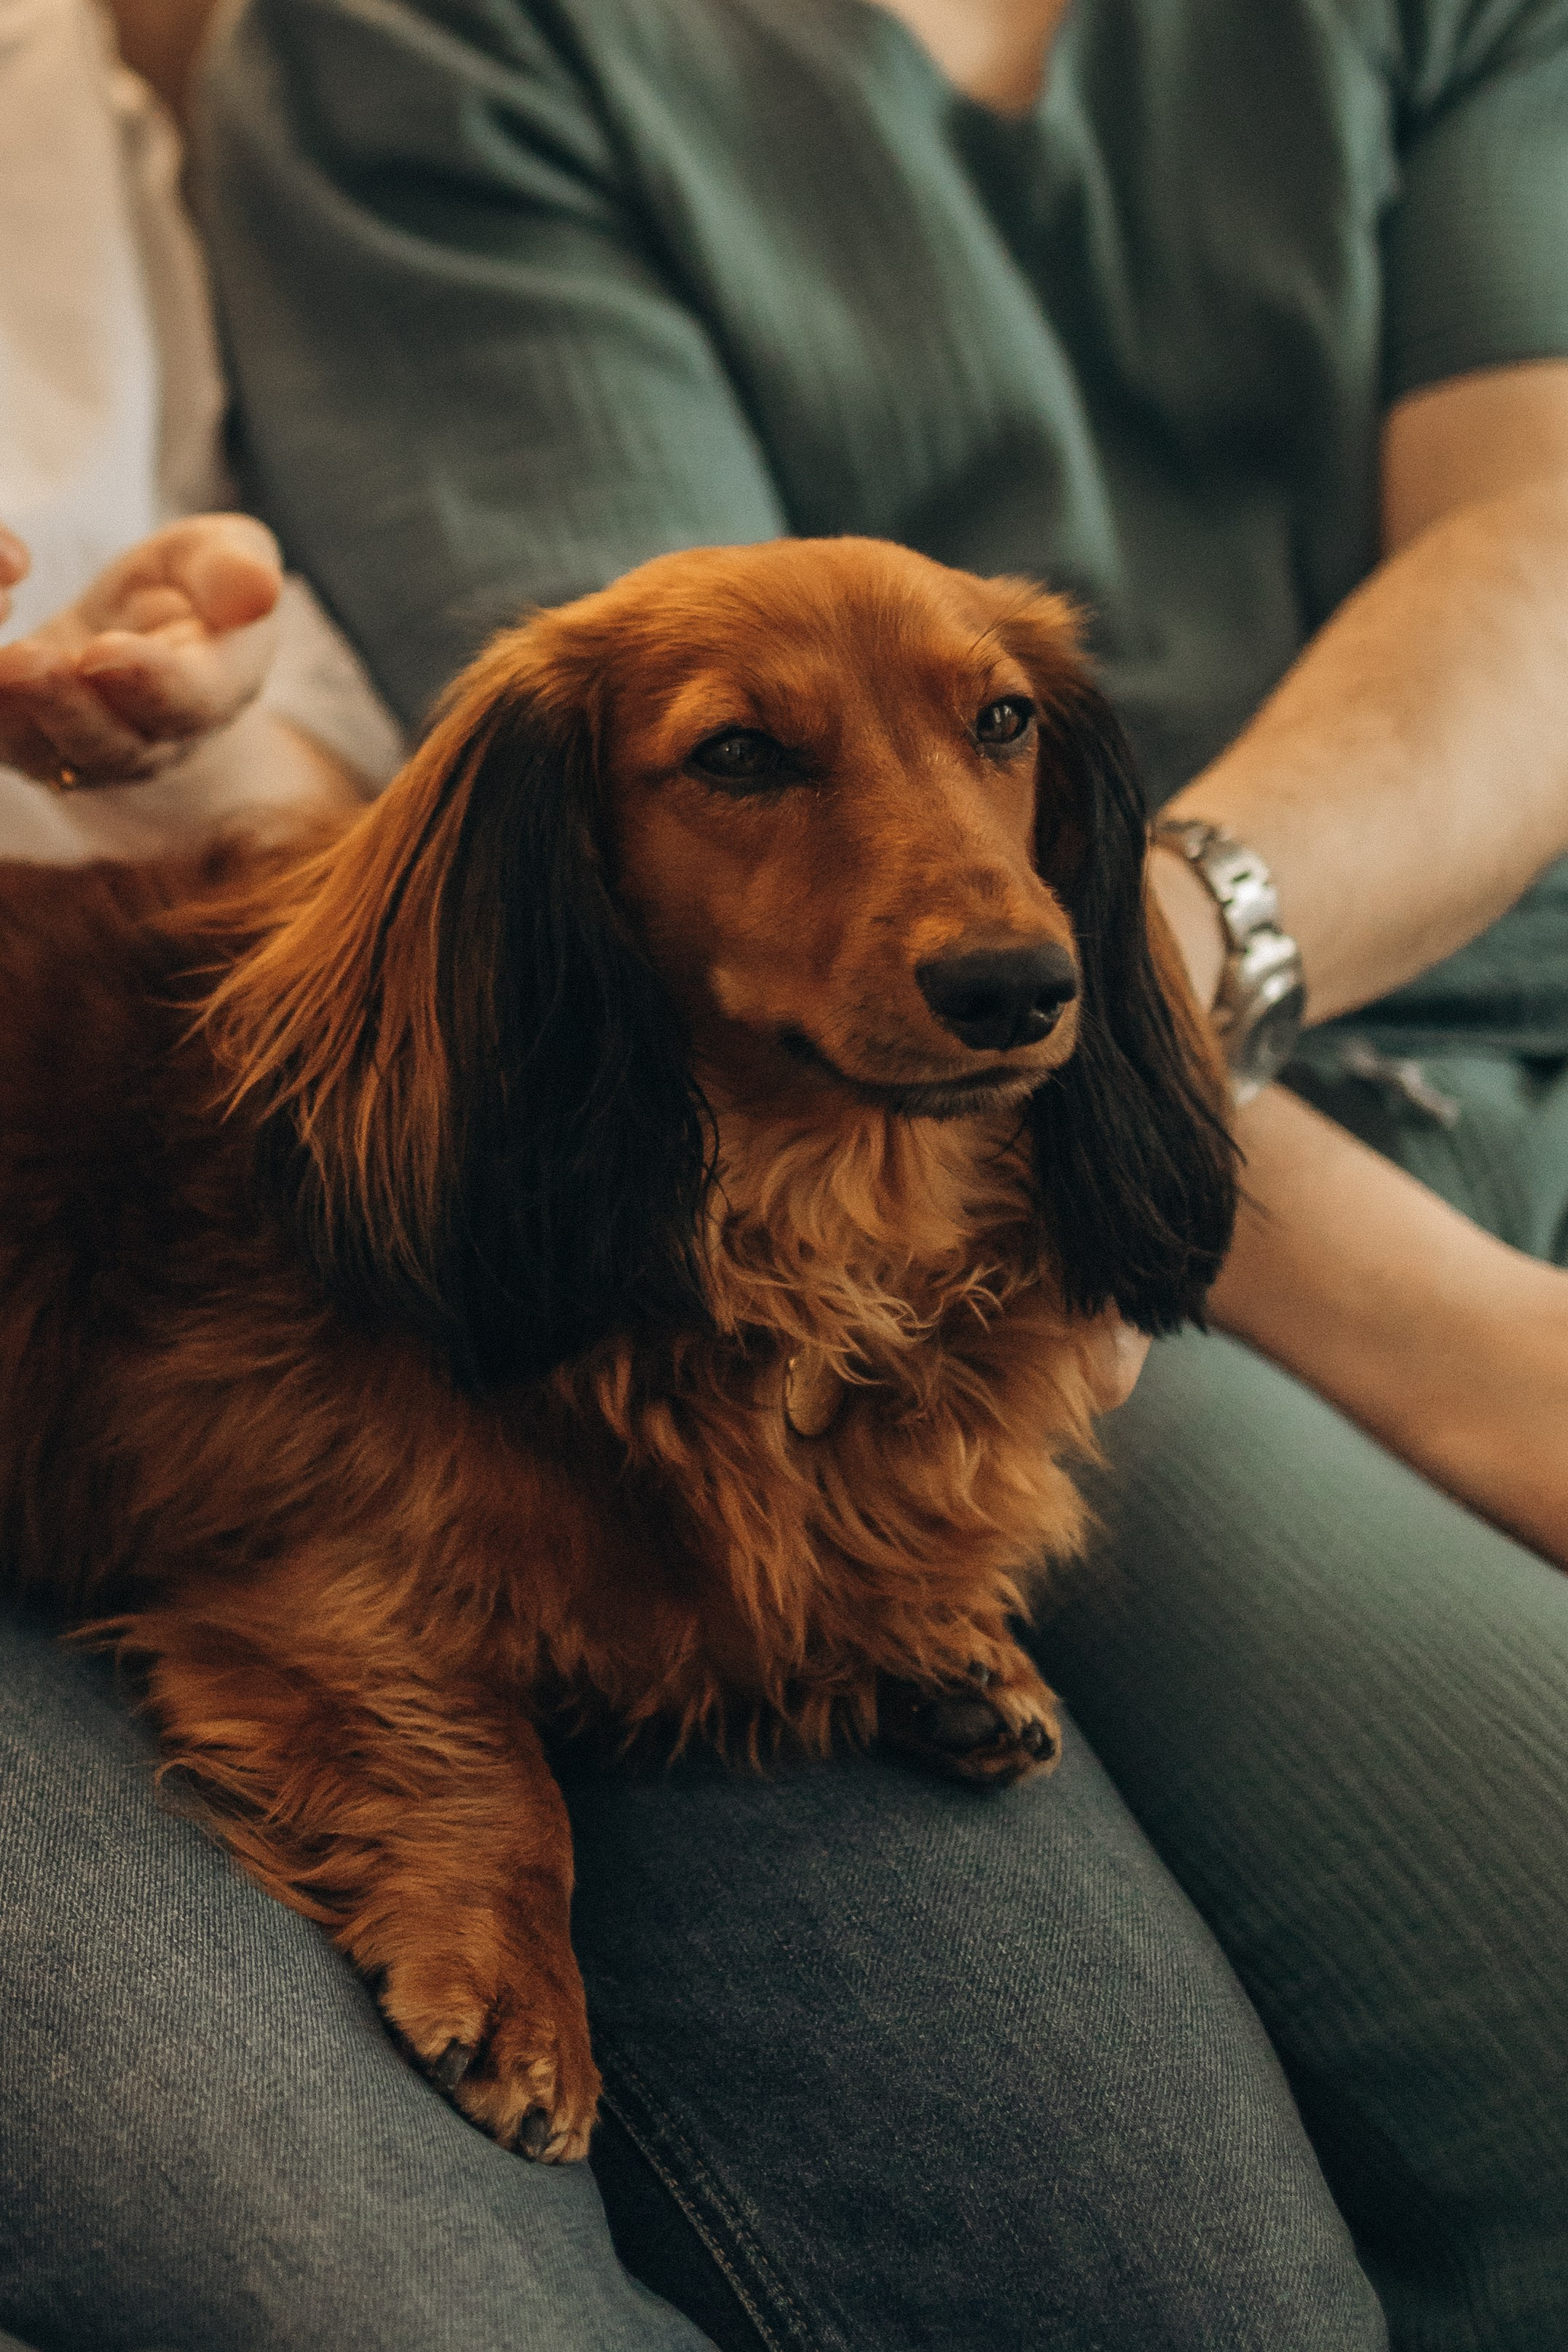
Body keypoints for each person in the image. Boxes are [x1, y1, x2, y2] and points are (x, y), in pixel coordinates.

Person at [1, 3, 1564, 2349]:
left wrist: (198, 696)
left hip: (351, 986)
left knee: (1194, 2298)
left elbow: (315, 725)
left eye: (993, 739)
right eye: (765, 766)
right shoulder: (427, 58)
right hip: (265, 1355)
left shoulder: (52, 109)